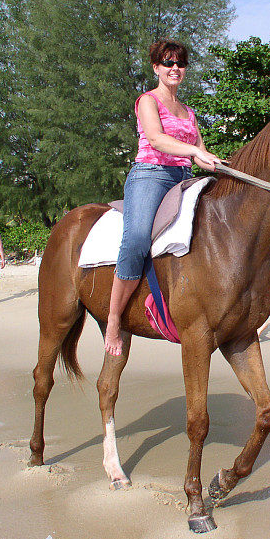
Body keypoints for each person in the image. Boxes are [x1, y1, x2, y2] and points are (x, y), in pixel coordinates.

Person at [104, 40, 221, 356]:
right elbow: (156, 138)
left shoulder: (189, 112)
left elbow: (200, 154)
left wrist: (217, 162)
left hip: (184, 177)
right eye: (168, 62)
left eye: (180, 63)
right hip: (151, 175)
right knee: (138, 240)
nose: (175, 68)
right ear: (156, 67)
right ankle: (114, 321)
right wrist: (195, 150)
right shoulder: (147, 101)